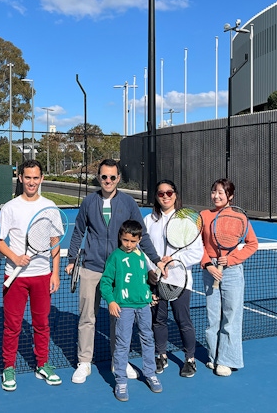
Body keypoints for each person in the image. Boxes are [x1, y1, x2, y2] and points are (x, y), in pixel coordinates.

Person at [66, 159, 166, 384]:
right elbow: (78, 232)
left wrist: (157, 260)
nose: (108, 181)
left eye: (112, 177)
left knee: (118, 318)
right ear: (98, 178)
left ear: (118, 178)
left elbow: (142, 236)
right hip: (91, 268)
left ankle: (117, 361)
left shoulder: (128, 202)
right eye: (104, 177)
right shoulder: (89, 202)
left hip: (120, 272)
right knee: (87, 317)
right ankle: (84, 362)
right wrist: (72, 259)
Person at [0, 160, 62, 391]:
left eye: (36, 178)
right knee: (12, 325)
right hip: (15, 278)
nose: (32, 182)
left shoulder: (50, 207)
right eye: (28, 177)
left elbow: (55, 242)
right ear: (21, 178)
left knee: (42, 324)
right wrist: (14, 257)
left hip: (42, 276)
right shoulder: (10, 207)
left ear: (41, 179)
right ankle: (8, 367)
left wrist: (55, 273)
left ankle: (42, 364)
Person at [143, 180, 203, 378]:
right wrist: (149, 271)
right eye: (161, 193)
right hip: (155, 280)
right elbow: (142, 250)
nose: (165, 196)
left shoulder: (186, 221)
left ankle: (190, 360)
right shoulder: (149, 221)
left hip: (179, 281)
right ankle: (161, 355)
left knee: (182, 320)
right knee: (158, 321)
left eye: (169, 192)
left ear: (175, 195)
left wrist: (174, 262)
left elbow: (196, 253)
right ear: (156, 197)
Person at [200, 178, 258, 377]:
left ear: (230, 197)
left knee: (231, 316)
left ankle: (226, 360)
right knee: (213, 317)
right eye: (214, 191)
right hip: (210, 272)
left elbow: (252, 244)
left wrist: (231, 260)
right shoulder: (204, 216)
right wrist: (208, 264)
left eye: (221, 193)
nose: (216, 196)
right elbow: (197, 245)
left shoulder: (239, 218)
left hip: (232, 272)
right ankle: (213, 356)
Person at [100, 220, 162, 402]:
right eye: (125, 240)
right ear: (120, 237)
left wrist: (149, 294)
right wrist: (111, 301)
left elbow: (142, 279)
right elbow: (105, 282)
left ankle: (150, 373)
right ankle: (120, 380)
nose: (128, 244)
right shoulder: (115, 257)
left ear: (139, 240)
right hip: (124, 307)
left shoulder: (141, 256)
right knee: (122, 343)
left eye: (133, 241)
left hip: (143, 306)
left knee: (148, 339)